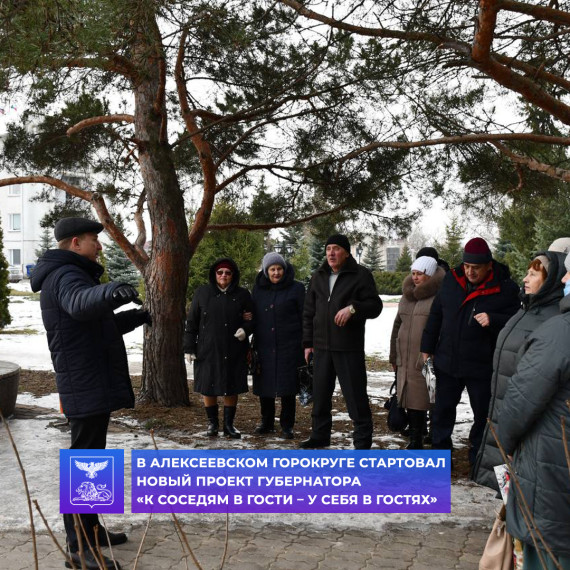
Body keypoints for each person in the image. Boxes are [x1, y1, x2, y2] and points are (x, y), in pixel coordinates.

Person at [30, 217, 151, 570]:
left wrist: (135, 317)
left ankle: (92, 529)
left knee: (92, 462)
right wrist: (109, 291)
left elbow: (94, 323)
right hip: (83, 381)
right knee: (83, 464)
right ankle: (79, 550)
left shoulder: (74, 272)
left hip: (89, 378)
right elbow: (81, 303)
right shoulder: (66, 276)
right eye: (93, 241)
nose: (99, 246)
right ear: (74, 243)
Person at [497, 252, 570, 570]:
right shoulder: (531, 315)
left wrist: (505, 440)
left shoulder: (558, 332)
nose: (566, 279)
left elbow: (522, 399)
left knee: (547, 552)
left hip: (551, 463)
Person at [420, 237, 519, 466]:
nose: (470, 272)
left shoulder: (506, 288)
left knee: (482, 415)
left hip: (481, 365)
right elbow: (436, 314)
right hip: (447, 360)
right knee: (442, 412)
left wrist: (494, 319)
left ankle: (478, 460)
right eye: (466, 266)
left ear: (488, 265)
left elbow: (516, 321)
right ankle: (439, 457)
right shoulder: (451, 281)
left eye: (476, 268)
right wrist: (427, 347)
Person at [472, 248, 566, 488]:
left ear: (551, 281)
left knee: (520, 495)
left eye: (533, 274)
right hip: (505, 413)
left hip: (525, 426)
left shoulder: (552, 320)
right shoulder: (526, 310)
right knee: (508, 493)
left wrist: (509, 434)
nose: (525, 279)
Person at [301, 233, 382, 450]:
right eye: (328, 249)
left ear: (346, 253)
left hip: (348, 348)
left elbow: (375, 306)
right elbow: (309, 312)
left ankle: (362, 442)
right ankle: (319, 436)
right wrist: (308, 343)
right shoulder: (318, 276)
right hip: (321, 347)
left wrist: (353, 308)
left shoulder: (360, 275)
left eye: (336, 249)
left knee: (356, 398)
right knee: (320, 396)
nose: (331, 253)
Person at [183, 258, 253, 439]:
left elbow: (252, 319)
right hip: (207, 349)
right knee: (208, 385)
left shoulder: (243, 294)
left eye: (228, 273)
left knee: (232, 385)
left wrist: (245, 330)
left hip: (234, 348)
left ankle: (229, 425)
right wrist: (189, 347)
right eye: (220, 272)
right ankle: (212, 424)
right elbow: (191, 323)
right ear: (214, 274)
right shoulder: (202, 293)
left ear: (233, 275)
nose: (223, 276)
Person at [389, 255, 446, 449]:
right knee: (411, 400)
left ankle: (427, 439)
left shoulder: (439, 296)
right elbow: (397, 324)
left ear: (429, 275)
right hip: (405, 355)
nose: (415, 277)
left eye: (419, 274)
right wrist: (393, 355)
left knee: (425, 399)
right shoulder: (407, 296)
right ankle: (415, 439)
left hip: (426, 357)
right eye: (413, 273)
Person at [251, 252, 305, 439]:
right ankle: (266, 422)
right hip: (264, 345)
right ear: (266, 271)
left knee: (287, 387)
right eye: (272, 269)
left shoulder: (297, 288)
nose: (276, 273)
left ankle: (287, 425)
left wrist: (306, 342)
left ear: (284, 269)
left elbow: (304, 317)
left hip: (289, 345)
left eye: (279, 268)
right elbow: (252, 314)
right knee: (265, 387)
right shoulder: (258, 289)